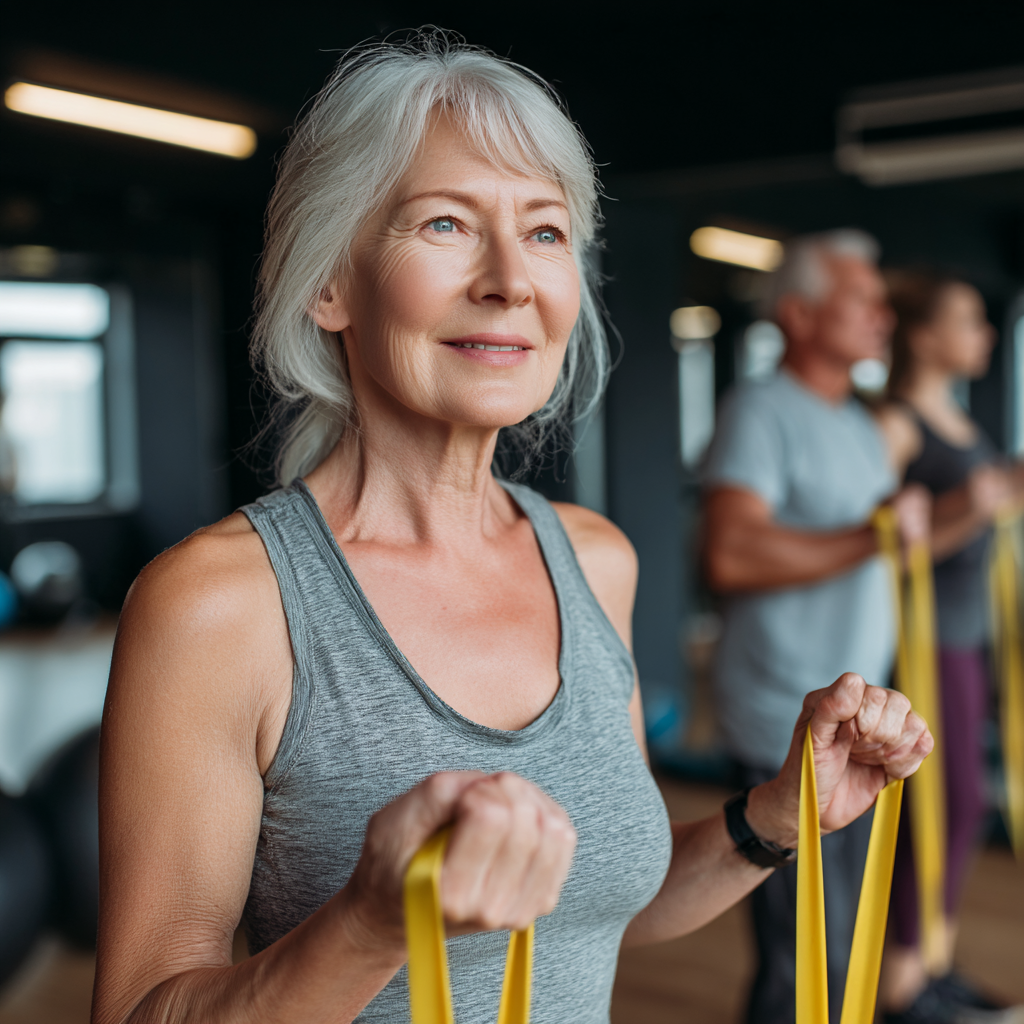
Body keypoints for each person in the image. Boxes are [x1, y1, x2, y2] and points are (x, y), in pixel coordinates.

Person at [91, 36, 932, 1024]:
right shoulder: (220, 604)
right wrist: (372, 917)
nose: (509, 279)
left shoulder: (593, 558)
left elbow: (592, 904)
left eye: (543, 233)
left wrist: (773, 816)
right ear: (329, 283)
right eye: (444, 223)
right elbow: (141, 1012)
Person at [702, 230, 932, 1024]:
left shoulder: (861, 423)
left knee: (844, 945)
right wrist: (872, 533)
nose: (882, 315)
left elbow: (876, 550)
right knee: (802, 954)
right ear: (798, 314)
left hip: (854, 721)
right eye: (861, 298)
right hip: (781, 712)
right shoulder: (759, 409)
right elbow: (729, 553)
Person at [875, 270, 1022, 1024]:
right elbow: (888, 549)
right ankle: (902, 986)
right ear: (926, 337)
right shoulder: (897, 423)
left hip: (967, 642)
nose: (986, 335)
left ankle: (933, 961)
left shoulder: (956, 419)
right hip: (922, 645)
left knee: (965, 804)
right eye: (969, 321)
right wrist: (976, 504)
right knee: (946, 803)